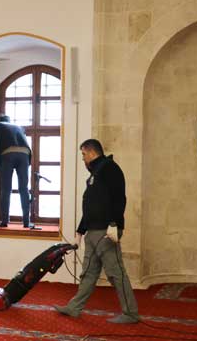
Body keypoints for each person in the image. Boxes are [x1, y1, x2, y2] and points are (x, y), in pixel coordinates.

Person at [55, 139, 139, 324]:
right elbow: (90, 207)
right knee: (88, 272)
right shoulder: (96, 173)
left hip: (106, 231)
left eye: (83, 154)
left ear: (92, 152)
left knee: (115, 273)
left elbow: (119, 199)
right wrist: (80, 232)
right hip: (93, 231)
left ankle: (131, 313)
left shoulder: (109, 168)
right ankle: (74, 307)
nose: (83, 159)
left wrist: (114, 224)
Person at [0, 115, 32, 227]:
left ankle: (4, 221)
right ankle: (27, 222)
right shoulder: (19, 127)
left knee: (6, 189)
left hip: (7, 154)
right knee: (24, 188)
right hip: (24, 155)